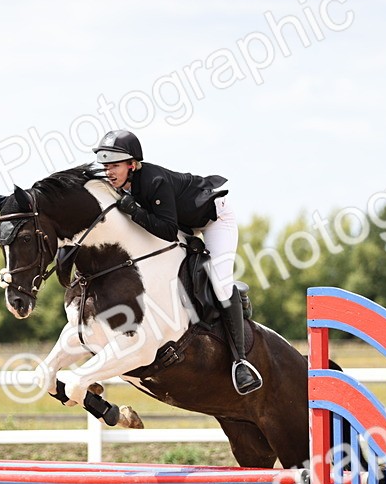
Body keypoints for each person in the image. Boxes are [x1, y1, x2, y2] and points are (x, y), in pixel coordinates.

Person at [92, 129, 263, 395]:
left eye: (115, 165)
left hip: (213, 219)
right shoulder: (119, 186)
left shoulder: (153, 181)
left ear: (133, 164)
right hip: (181, 221)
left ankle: (240, 361)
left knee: (219, 283)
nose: (109, 171)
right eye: (106, 166)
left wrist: (134, 211)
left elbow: (167, 231)